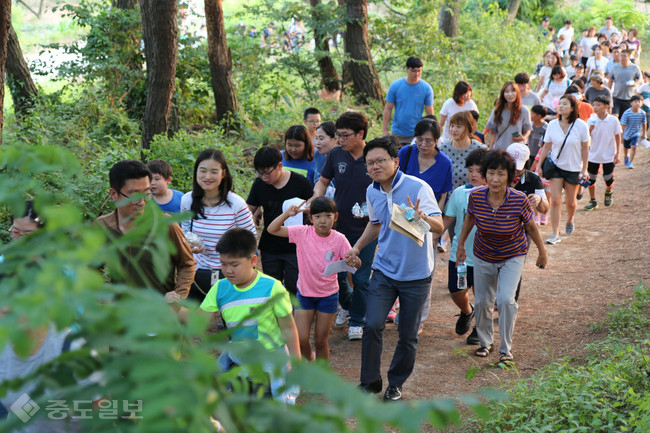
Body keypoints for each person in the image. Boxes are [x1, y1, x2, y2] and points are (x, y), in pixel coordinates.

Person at [348, 136, 443, 401]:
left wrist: (423, 216)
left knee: (408, 335)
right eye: (370, 163)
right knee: (373, 324)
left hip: (416, 274)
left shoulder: (418, 187)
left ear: (395, 161)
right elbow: (376, 223)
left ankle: (396, 383)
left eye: (380, 161)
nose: (375, 167)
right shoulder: (372, 191)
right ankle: (369, 381)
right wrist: (357, 247)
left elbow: (439, 226)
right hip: (384, 270)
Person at [456, 150, 548, 364]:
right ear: (485, 175)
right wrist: (460, 245)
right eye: (490, 173)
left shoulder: (519, 199)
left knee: (506, 300)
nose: (495, 179)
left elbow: (532, 227)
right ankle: (485, 342)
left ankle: (506, 350)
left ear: (509, 177)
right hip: (483, 254)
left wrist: (542, 251)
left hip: (513, 254)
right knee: (483, 301)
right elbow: (469, 219)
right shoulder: (477, 196)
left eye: (500, 174)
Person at [199, 228, 301, 404]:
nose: (228, 270)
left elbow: (288, 327)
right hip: (239, 356)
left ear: (253, 260)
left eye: (234, 264)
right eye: (223, 264)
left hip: (271, 357)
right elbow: (199, 319)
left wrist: (295, 360)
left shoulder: (272, 288)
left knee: (280, 403)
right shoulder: (220, 288)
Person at [311, 111, 376, 341]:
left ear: (360, 134)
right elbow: (323, 181)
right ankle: (348, 304)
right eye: (337, 135)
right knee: (336, 272)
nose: (340, 140)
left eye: (345, 135)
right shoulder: (336, 154)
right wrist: (316, 198)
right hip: (338, 227)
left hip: (368, 229)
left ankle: (357, 320)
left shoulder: (374, 156)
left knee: (361, 277)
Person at [268, 197, 354, 362]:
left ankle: (321, 376)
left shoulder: (339, 239)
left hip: (328, 296)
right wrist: (287, 214)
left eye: (328, 216)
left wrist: (354, 260)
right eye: (318, 216)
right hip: (305, 294)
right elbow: (272, 229)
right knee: (300, 339)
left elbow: (354, 262)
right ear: (311, 218)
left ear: (335, 217)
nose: (323, 221)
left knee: (321, 341)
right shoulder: (302, 233)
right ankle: (310, 364)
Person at [95, 160, 196, 301]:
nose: (142, 202)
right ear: (114, 194)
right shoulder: (103, 227)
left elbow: (187, 264)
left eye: (147, 193)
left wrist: (177, 297)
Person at [180, 149, 256, 302]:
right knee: (192, 320)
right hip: (197, 270)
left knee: (231, 322)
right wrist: (190, 245)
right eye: (203, 171)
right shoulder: (187, 200)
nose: (208, 177)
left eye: (214, 172)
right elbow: (185, 232)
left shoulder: (236, 204)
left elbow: (251, 239)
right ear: (196, 173)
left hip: (230, 271)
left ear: (223, 174)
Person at [247, 146, 313, 295]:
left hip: (295, 246)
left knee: (293, 287)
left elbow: (311, 209)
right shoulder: (259, 184)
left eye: (267, 173)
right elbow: (249, 208)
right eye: (259, 173)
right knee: (271, 288)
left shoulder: (299, 182)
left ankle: (292, 316)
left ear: (279, 166)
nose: (263, 177)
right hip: (270, 245)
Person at [442, 148, 488, 345]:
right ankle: (467, 311)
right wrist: (431, 234)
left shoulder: (495, 195)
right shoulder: (459, 193)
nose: (473, 174)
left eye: (479, 171)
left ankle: (479, 328)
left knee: (483, 295)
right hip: (460, 256)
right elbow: (446, 220)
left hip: (486, 257)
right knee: (457, 291)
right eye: (470, 170)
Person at [539, 95, 590, 244]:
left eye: (565, 104)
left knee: (570, 202)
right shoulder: (552, 125)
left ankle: (570, 218)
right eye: (560, 104)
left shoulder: (581, 125)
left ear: (573, 108)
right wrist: (541, 165)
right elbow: (546, 146)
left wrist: (584, 169)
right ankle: (555, 234)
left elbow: (585, 147)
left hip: (573, 168)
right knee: (555, 201)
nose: (561, 106)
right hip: (555, 167)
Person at [382, 57, 435, 145]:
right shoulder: (395, 86)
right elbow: (388, 108)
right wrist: (384, 129)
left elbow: (429, 112)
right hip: (398, 132)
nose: (416, 74)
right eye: (413, 71)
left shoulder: (426, 88)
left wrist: (431, 132)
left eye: (419, 71)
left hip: (417, 133)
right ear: (407, 69)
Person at [584, 95, 622, 210]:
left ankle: (608, 192)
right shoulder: (590, 120)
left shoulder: (613, 120)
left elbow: (618, 136)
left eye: (598, 105)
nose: (595, 107)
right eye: (594, 105)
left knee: (608, 177)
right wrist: (590, 129)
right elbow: (586, 138)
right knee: (591, 179)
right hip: (593, 155)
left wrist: (618, 153)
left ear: (606, 107)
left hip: (608, 154)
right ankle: (592, 200)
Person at [439, 111, 488, 190]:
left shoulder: (481, 150)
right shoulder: (442, 148)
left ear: (469, 128)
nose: (454, 130)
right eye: (452, 126)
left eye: (458, 126)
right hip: (447, 199)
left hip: (473, 197)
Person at [486, 82, 532, 151]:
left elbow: (528, 128)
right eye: (507, 91)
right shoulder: (497, 110)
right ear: (503, 94)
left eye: (513, 91)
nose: (510, 94)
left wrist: (523, 137)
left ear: (517, 93)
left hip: (516, 151)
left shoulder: (524, 110)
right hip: (499, 149)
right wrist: (490, 150)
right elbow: (492, 131)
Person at [608, 50, 642, 117]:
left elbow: (640, 79)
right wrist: (608, 93)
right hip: (616, 97)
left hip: (629, 98)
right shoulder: (615, 67)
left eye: (625, 56)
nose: (622, 58)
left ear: (629, 57)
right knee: (615, 115)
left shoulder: (634, 68)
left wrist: (635, 84)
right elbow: (610, 81)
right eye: (621, 56)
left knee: (626, 117)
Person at [619, 94, 646, 169]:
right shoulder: (627, 113)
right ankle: (626, 156)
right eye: (635, 102)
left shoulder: (642, 113)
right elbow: (623, 125)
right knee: (626, 148)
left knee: (634, 147)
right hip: (627, 134)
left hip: (636, 133)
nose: (637, 103)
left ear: (642, 103)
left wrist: (644, 134)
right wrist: (621, 136)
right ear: (631, 103)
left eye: (639, 102)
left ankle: (630, 162)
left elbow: (644, 124)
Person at [312, 121, 338, 194]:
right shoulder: (318, 154)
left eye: (321, 138)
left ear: (335, 138)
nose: (317, 142)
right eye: (316, 138)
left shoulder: (342, 158)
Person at [528, 105, 548, 169]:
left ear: (539, 116)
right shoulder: (529, 125)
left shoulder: (546, 128)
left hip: (538, 156)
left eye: (532, 113)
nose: (530, 115)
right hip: (528, 153)